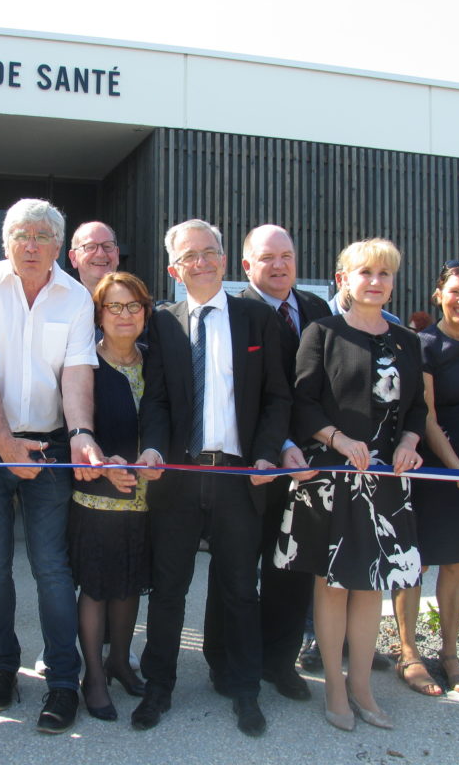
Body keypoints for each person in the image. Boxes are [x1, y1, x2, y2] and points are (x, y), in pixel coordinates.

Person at [131, 219, 291, 737]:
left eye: (210, 252)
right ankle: (159, 686)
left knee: (241, 588)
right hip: (177, 476)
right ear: (173, 268)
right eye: (189, 256)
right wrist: (152, 447)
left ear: (224, 259)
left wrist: (267, 454)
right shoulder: (163, 322)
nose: (201, 262)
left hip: (239, 477)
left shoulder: (255, 318)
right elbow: (154, 398)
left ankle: (244, 688)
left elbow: (276, 397)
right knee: (169, 587)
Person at [0, 198, 105, 734]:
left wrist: (83, 434)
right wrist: (3, 443)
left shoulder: (76, 297)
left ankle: (63, 681)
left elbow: (77, 372)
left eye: (43, 235)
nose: (32, 244)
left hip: (50, 450)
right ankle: (1, 667)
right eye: (22, 234)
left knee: (51, 568)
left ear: (59, 246)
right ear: (6, 242)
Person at [275, 238, 425, 732]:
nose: (376, 282)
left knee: (371, 586)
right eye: (365, 273)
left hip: (385, 480)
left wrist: (409, 442)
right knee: (334, 584)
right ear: (344, 280)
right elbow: (303, 403)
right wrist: (336, 438)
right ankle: (334, 688)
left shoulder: (406, 340)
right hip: (332, 475)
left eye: (384, 274)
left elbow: (417, 410)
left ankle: (362, 685)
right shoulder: (322, 330)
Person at [202, 224, 329, 703]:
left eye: (287, 256)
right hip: (250, 462)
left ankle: (280, 660)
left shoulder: (316, 310)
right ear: (246, 265)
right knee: (234, 568)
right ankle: (225, 657)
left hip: (306, 467)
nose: (279, 266)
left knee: (291, 568)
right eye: (268, 257)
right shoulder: (234, 313)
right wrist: (275, 444)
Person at [391, 261, 459, 697]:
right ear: (438, 295)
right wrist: (455, 467)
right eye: (455, 291)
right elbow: (428, 416)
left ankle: (449, 654)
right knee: (418, 561)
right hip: (435, 465)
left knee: (458, 561)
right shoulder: (424, 344)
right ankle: (408, 653)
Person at [69, 272, 153, 720]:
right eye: (114, 307)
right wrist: (106, 472)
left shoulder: (155, 361)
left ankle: (120, 661)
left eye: (133, 306)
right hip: (97, 500)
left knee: (130, 584)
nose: (125, 315)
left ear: (145, 312)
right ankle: (93, 676)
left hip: (145, 502)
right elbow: (76, 430)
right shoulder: (85, 364)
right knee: (98, 588)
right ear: (99, 314)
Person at [68, 221, 120, 292]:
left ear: (117, 254)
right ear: (73, 258)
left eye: (107, 246)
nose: (101, 254)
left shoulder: (136, 299)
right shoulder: (59, 300)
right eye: (90, 247)